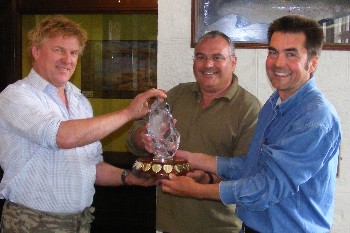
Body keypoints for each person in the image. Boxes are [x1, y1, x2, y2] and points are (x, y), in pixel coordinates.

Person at [160, 15, 342, 233]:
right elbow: (252, 166)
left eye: (291, 54)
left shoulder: (315, 119)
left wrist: (197, 190)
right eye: (273, 52)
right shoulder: (273, 104)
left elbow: (266, 187)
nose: (278, 63)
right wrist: (198, 161)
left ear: (312, 63)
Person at [0, 15, 167, 232]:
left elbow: (92, 166)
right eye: (58, 50)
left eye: (73, 52)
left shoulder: (80, 102)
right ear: (36, 51)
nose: (67, 60)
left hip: (80, 222)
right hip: (32, 224)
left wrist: (129, 178)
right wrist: (128, 113)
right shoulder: (15, 96)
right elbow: (62, 136)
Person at [127, 31, 261, 233]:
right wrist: (143, 137)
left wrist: (205, 180)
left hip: (220, 227)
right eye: (201, 57)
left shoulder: (249, 108)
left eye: (217, 57)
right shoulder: (177, 94)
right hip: (169, 225)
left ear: (233, 62)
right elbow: (132, 137)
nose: (208, 64)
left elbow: (249, 176)